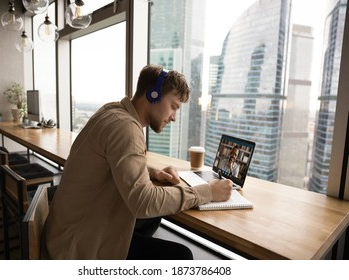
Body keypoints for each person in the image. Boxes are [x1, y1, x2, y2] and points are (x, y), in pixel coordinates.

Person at [41, 64, 233, 260]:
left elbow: (110, 159)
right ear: (153, 95)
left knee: (152, 218)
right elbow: (143, 202)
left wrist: (151, 172)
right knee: (181, 255)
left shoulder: (112, 111)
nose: (174, 117)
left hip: (68, 229)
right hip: (76, 248)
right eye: (173, 106)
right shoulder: (126, 129)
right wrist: (208, 192)